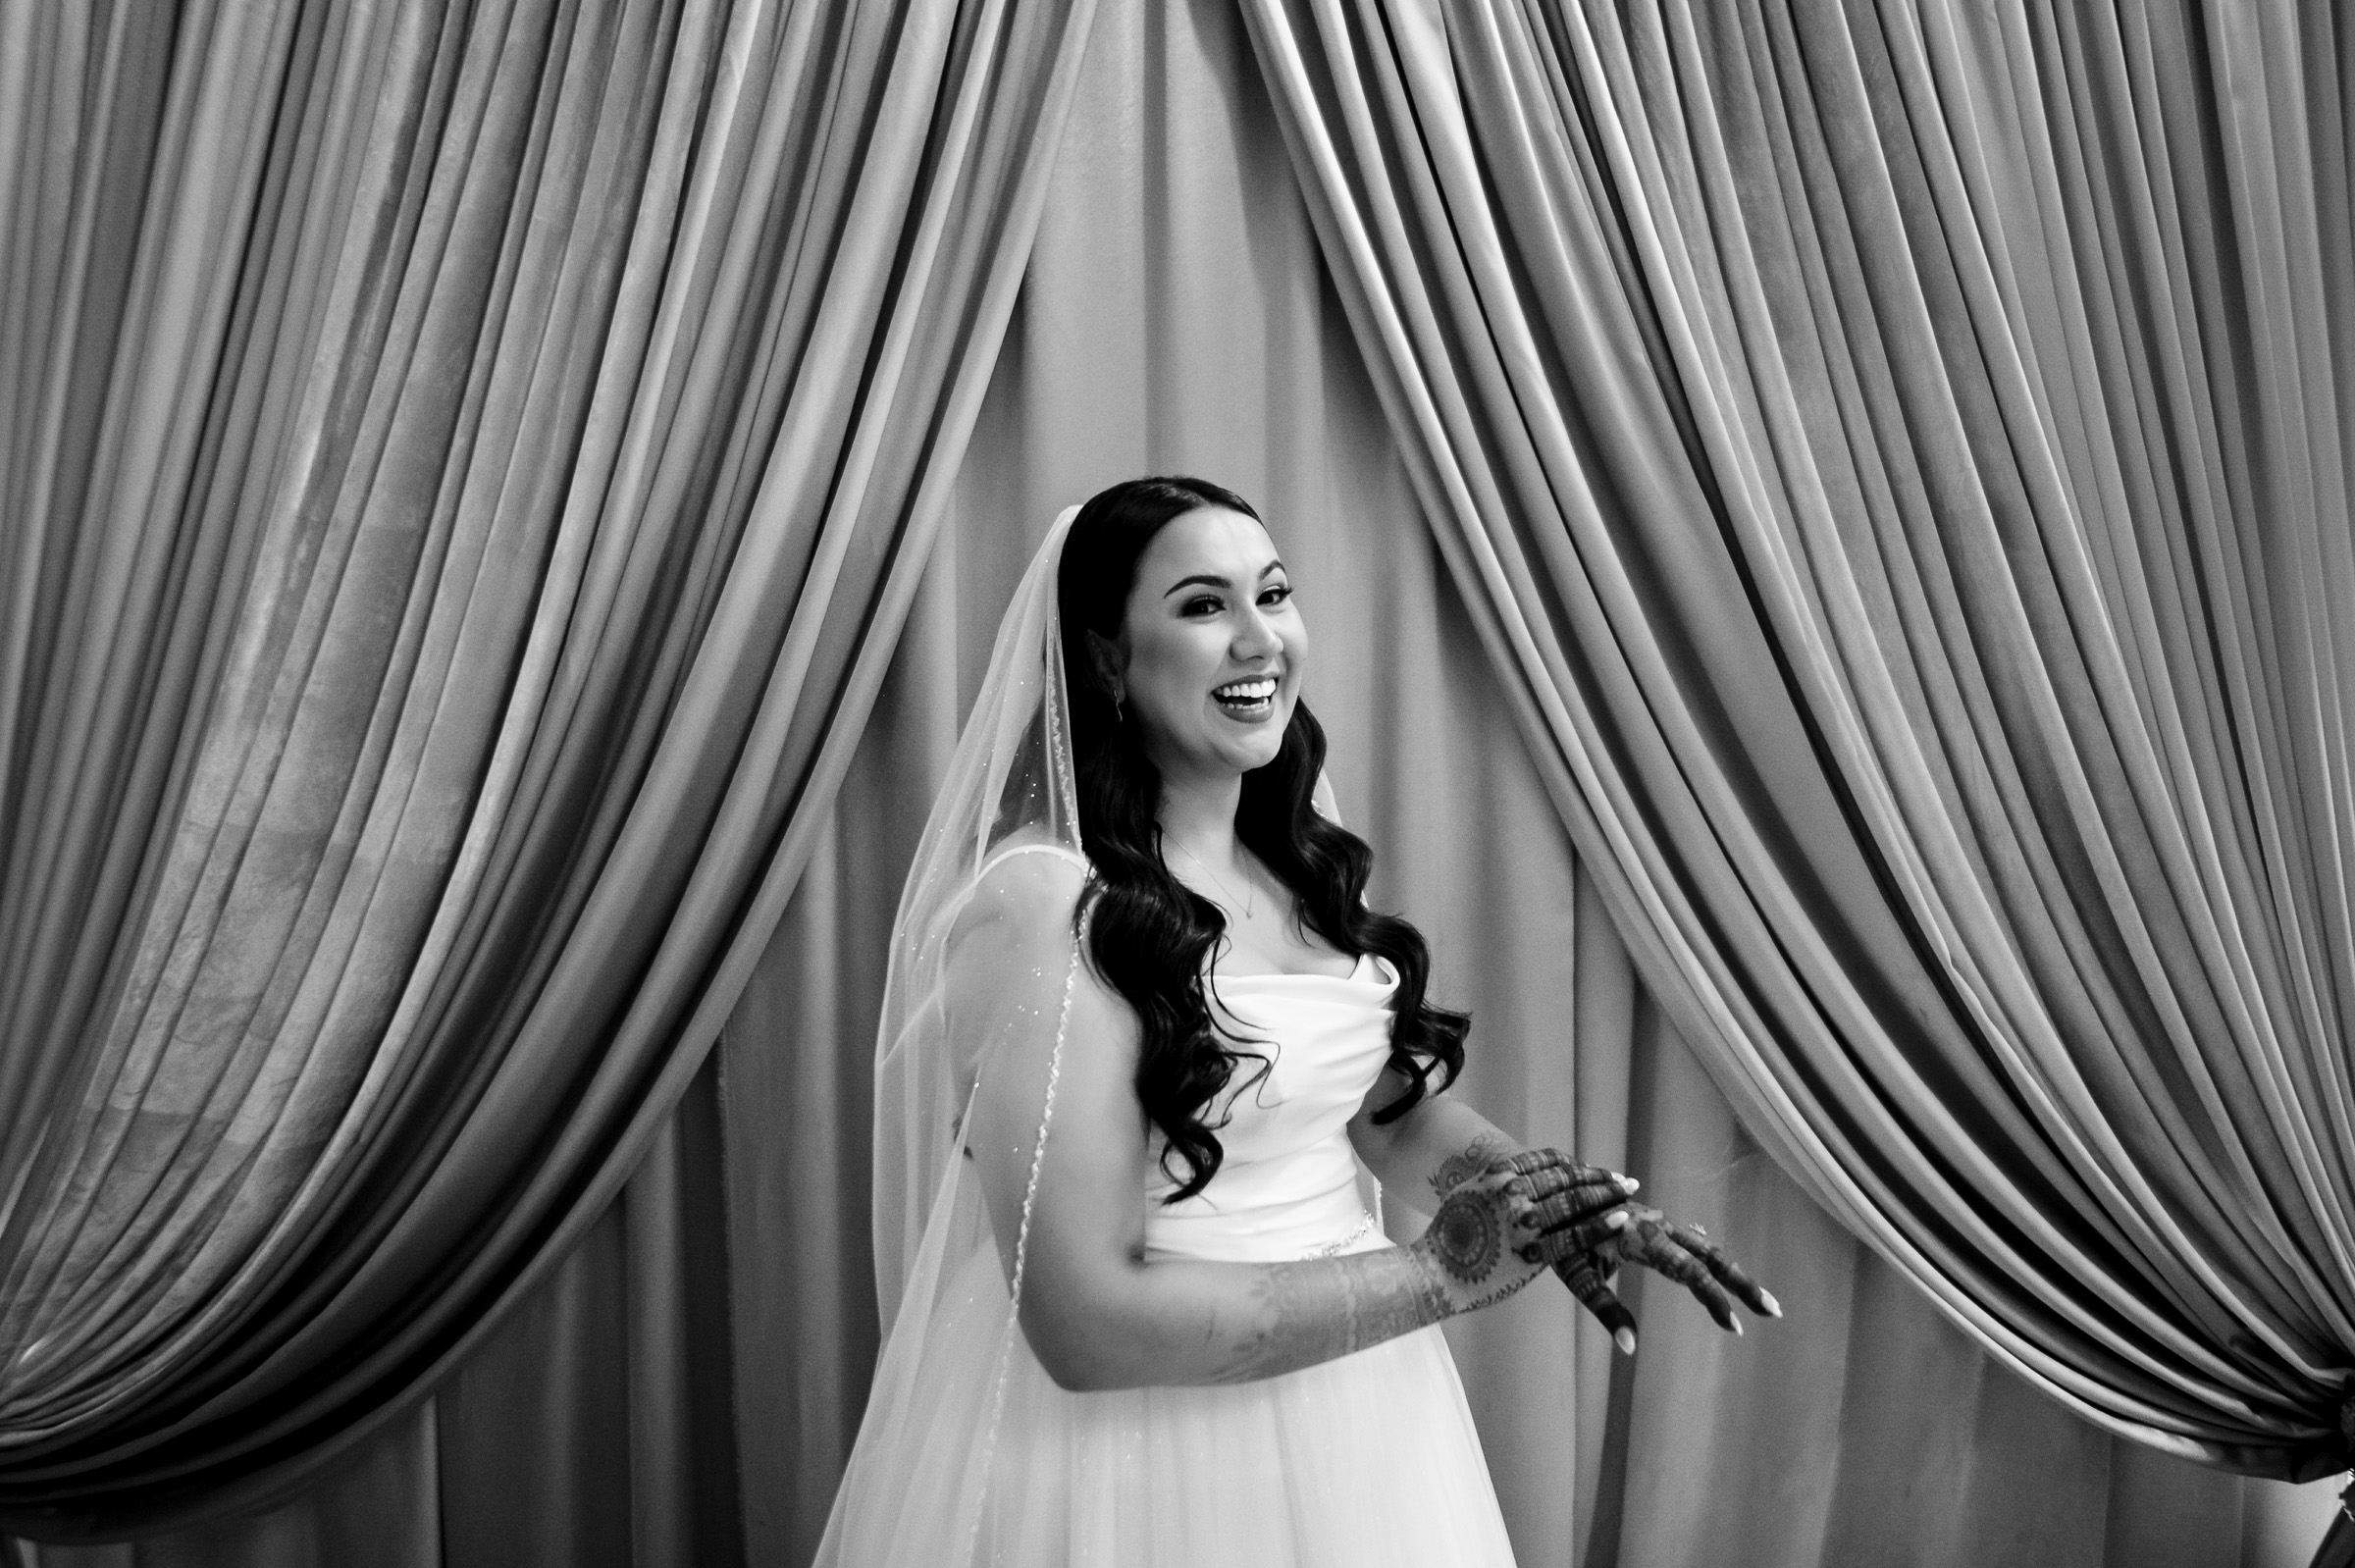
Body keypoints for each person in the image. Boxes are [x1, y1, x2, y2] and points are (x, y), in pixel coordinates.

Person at [815, 477, 1775, 1566]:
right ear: (1105, 657)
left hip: (1361, 1411)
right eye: (1202, 604)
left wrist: (1558, 1206)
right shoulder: (1041, 905)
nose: (1259, 636)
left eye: (1272, 592)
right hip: (1133, 1457)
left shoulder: (1296, 861)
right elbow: (1081, 1323)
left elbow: (1383, 1118)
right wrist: (1441, 1273)